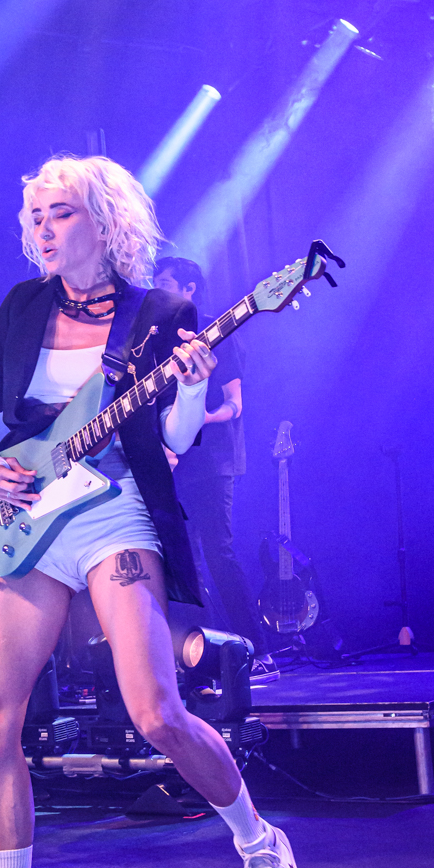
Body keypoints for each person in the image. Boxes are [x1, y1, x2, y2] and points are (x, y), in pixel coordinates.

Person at [0, 156, 308, 868]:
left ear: (102, 222)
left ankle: (261, 848)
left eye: (58, 213)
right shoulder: (22, 306)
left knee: (156, 713)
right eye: (33, 216)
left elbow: (171, 440)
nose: (41, 229)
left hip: (114, 513)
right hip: (28, 517)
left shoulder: (160, 312)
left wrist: (193, 389)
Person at [153, 257, 278, 680]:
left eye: (165, 282)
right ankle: (199, 661)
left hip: (212, 461)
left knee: (218, 553)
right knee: (183, 565)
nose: (155, 288)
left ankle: (259, 654)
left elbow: (235, 405)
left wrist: (198, 418)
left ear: (189, 289)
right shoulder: (156, 340)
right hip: (172, 464)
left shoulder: (216, 331)